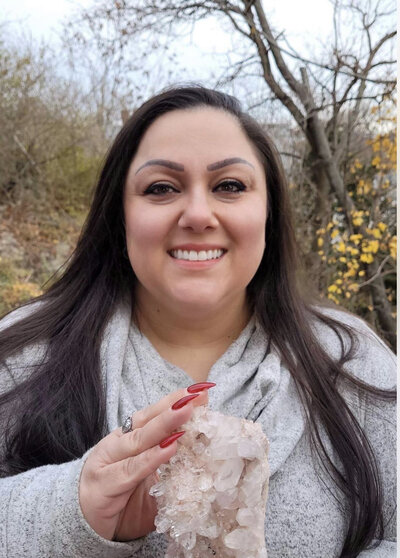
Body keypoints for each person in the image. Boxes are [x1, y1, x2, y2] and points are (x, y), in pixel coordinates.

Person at [0, 85, 395, 558]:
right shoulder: (22, 353)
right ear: (119, 214)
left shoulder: (354, 363)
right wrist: (72, 512)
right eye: (161, 188)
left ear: (269, 211)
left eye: (229, 186)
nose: (198, 214)